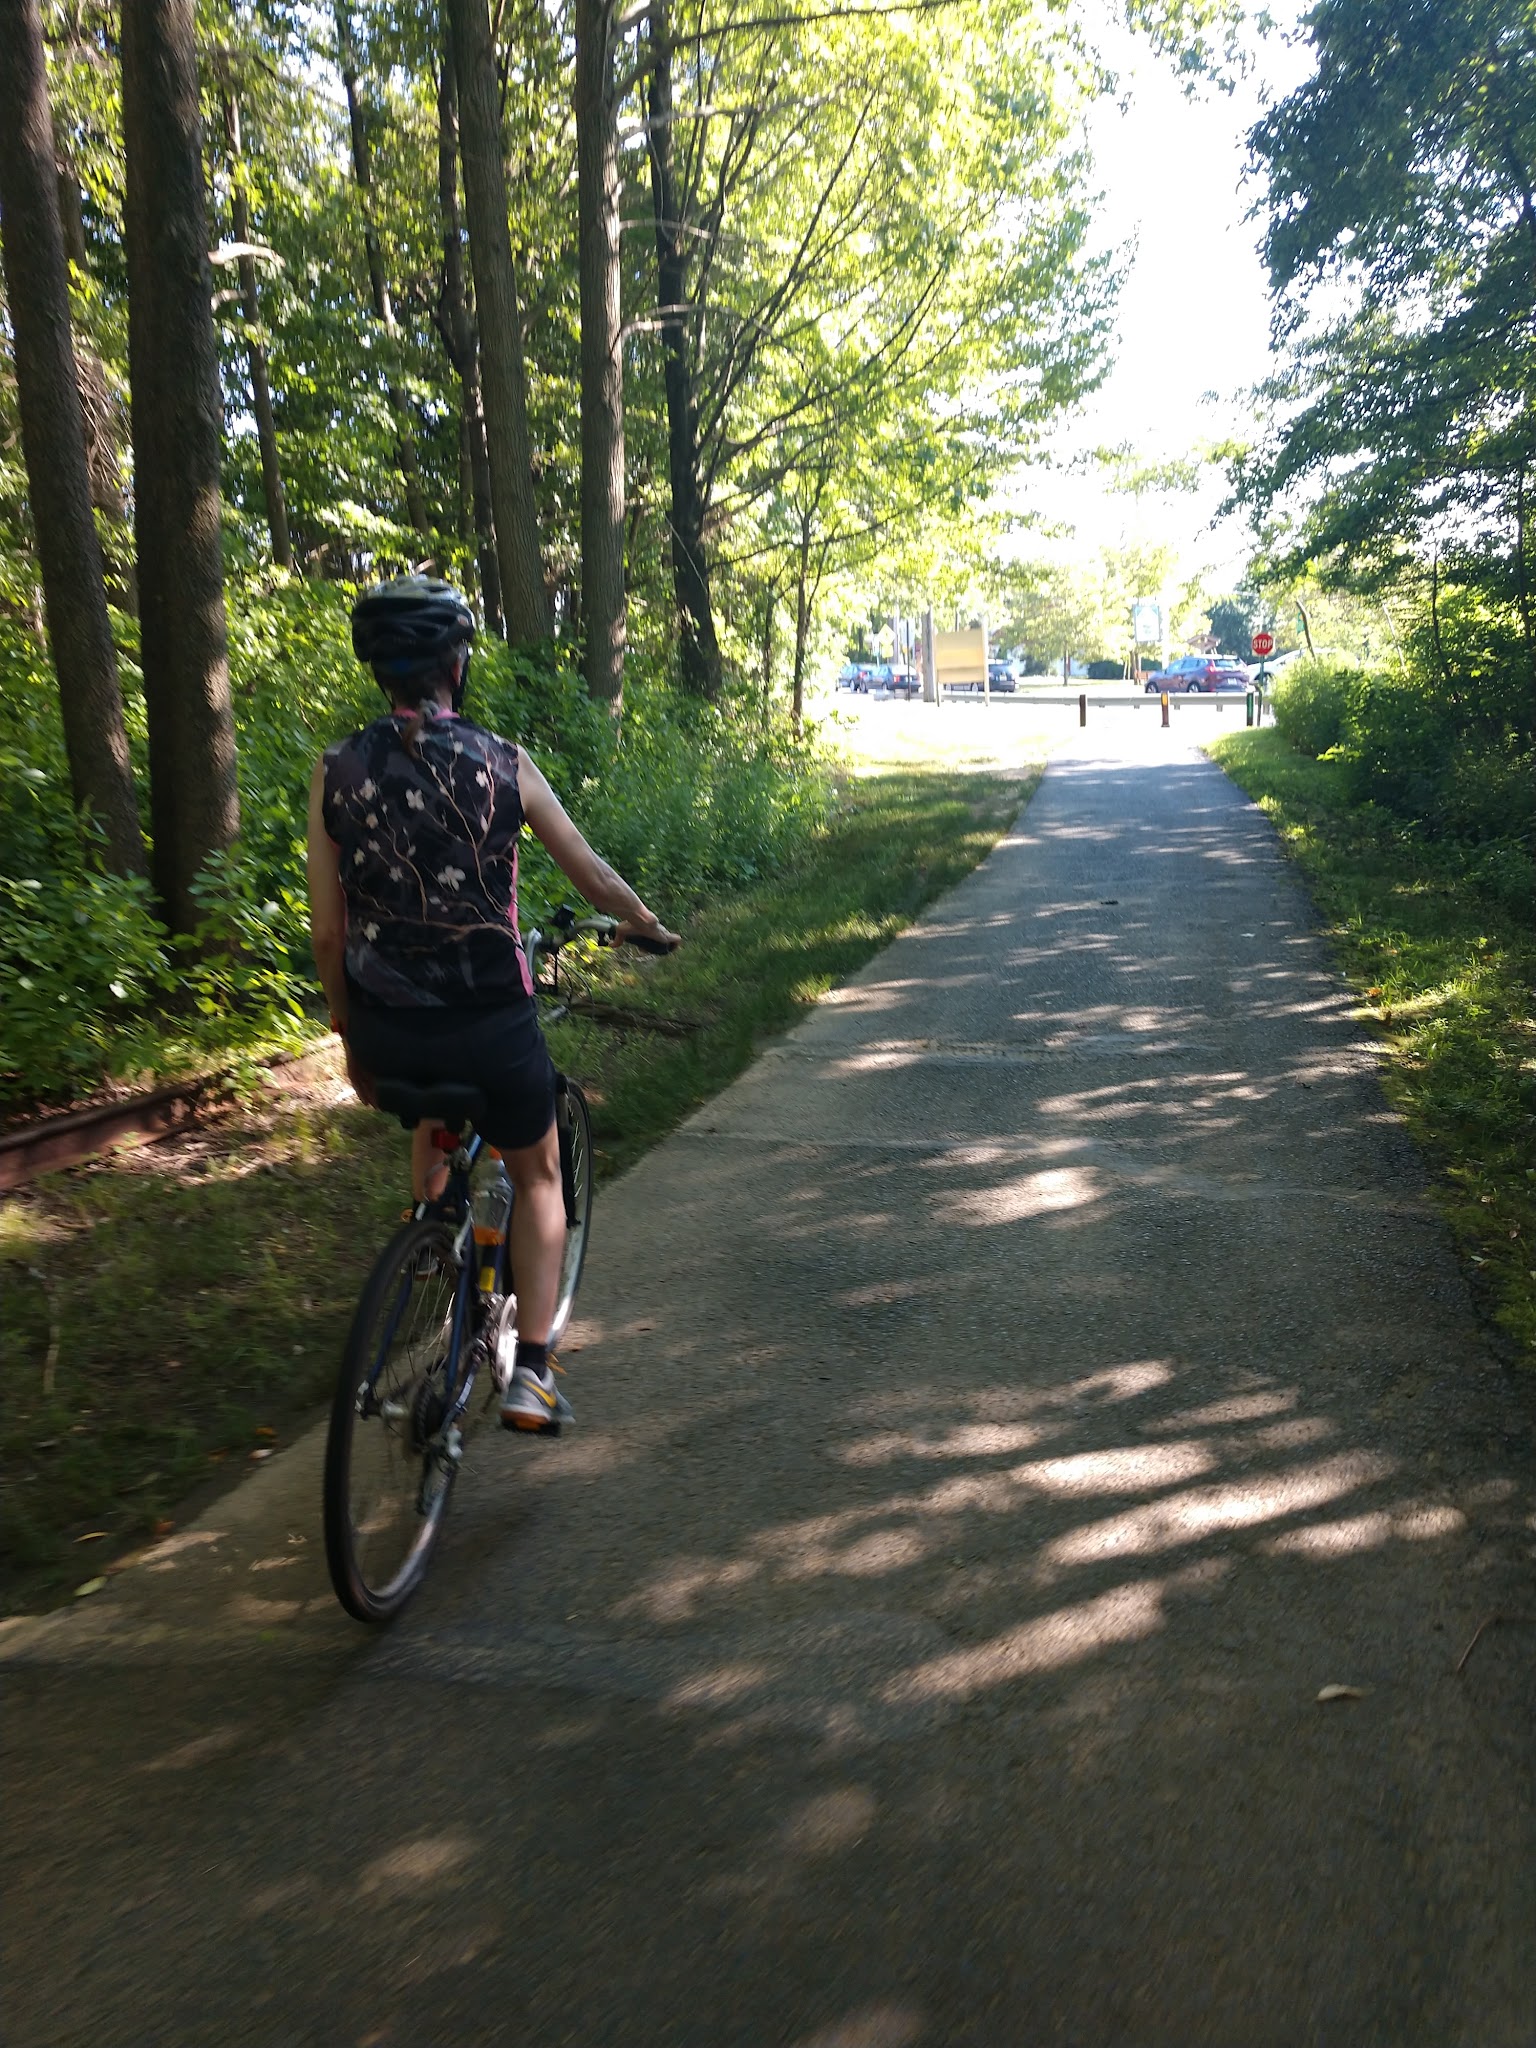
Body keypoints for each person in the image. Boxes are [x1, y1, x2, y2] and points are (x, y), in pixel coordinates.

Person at [306, 576, 679, 1433]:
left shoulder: (336, 769)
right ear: (456, 665)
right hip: (491, 1026)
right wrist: (646, 924)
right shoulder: (504, 762)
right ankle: (534, 1373)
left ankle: (435, 1239)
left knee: (430, 1115)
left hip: (392, 1034)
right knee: (538, 1169)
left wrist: (350, 1032)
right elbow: (592, 875)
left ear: (381, 674)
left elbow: (329, 935)